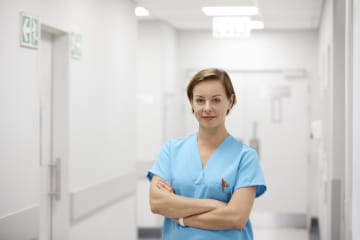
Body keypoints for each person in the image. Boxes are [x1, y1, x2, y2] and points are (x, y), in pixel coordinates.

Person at [147, 68, 266, 240]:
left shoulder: (245, 157)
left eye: (216, 100)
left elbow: (236, 217)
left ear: (230, 101)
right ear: (192, 103)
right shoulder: (171, 151)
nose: (207, 108)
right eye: (200, 100)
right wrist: (213, 205)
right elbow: (157, 203)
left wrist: (180, 217)